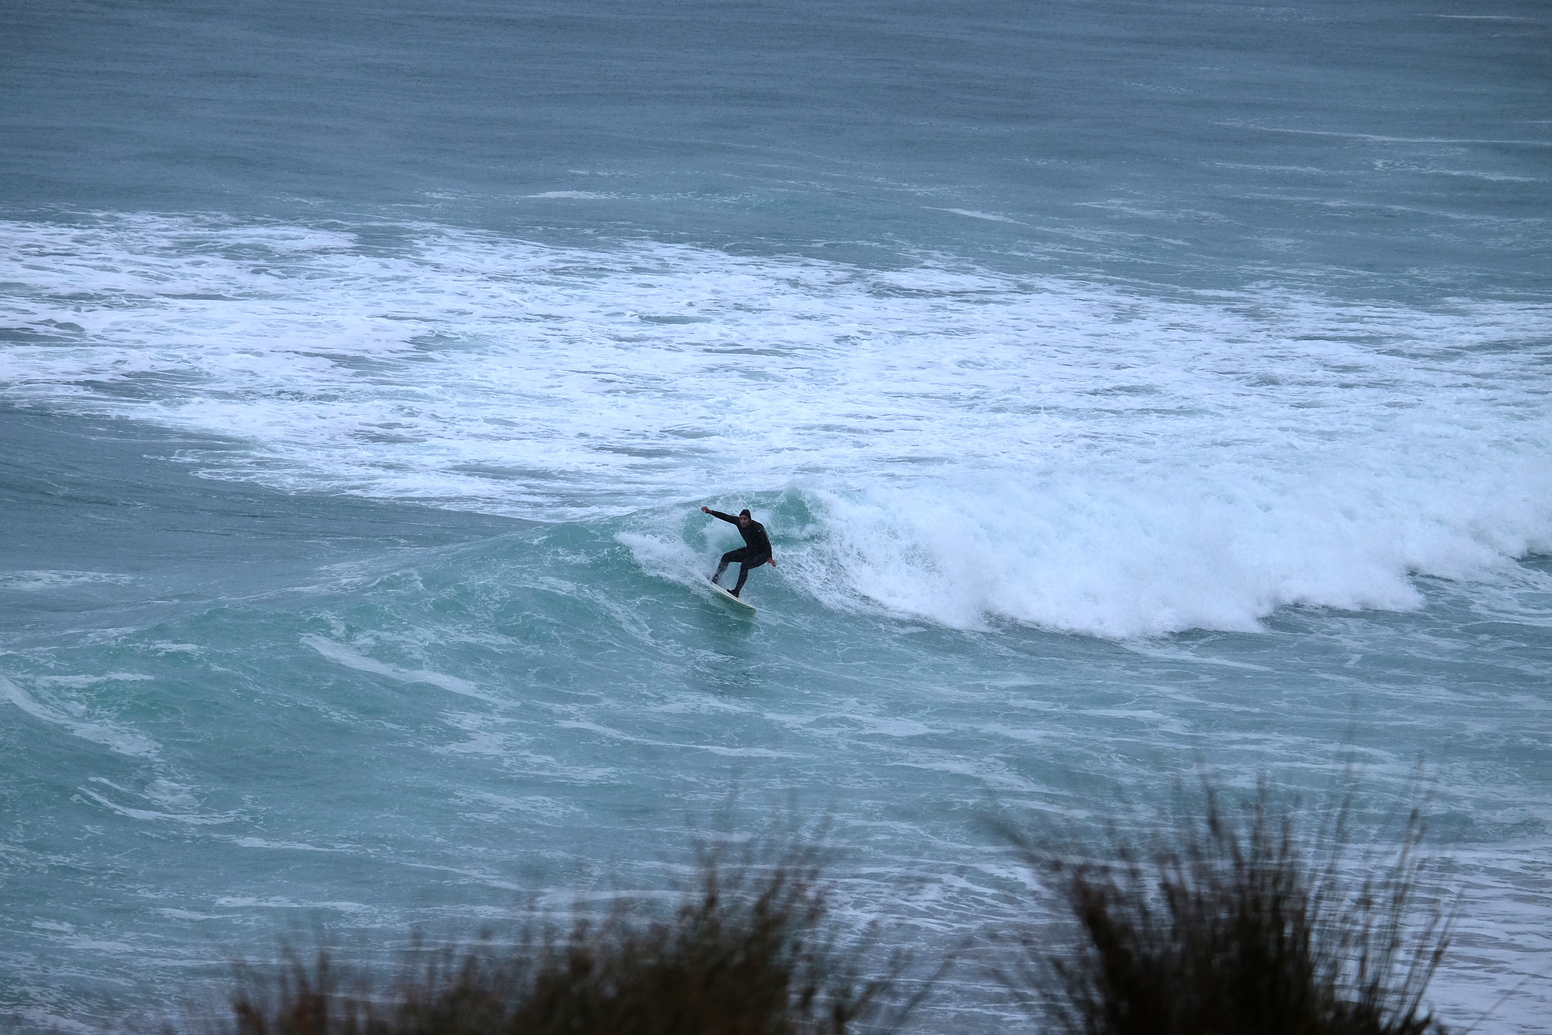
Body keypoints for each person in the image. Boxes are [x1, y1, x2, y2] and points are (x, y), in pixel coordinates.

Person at [701, 506, 776, 597]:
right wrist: (710, 511)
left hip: (762, 555)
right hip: (750, 550)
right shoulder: (738, 522)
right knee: (726, 557)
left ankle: (736, 591)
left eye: (745, 519)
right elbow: (725, 517)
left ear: (749, 519)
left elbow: (766, 543)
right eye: (741, 519)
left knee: (745, 565)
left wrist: (770, 557)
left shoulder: (757, 528)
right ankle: (716, 578)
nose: (743, 521)